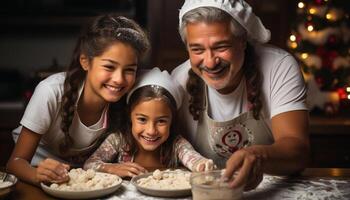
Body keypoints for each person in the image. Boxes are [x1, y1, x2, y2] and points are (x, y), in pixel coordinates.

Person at [171, 0, 310, 191]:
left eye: (221, 47)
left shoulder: (279, 67)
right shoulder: (179, 80)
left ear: (243, 40)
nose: (210, 62)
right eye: (197, 49)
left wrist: (259, 156)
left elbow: (298, 150)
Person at [6, 14, 150, 185]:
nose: (119, 79)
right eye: (109, 67)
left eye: (129, 70)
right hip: (38, 171)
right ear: (85, 62)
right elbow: (15, 164)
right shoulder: (51, 92)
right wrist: (37, 175)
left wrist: (107, 168)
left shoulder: (127, 96)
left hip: (84, 175)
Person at [84, 67, 214, 178]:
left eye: (161, 121)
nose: (151, 131)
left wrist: (202, 165)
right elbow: (89, 164)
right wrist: (112, 168)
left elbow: (195, 160)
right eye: (142, 119)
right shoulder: (118, 140)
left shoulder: (177, 145)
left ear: (172, 120)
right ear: (130, 116)